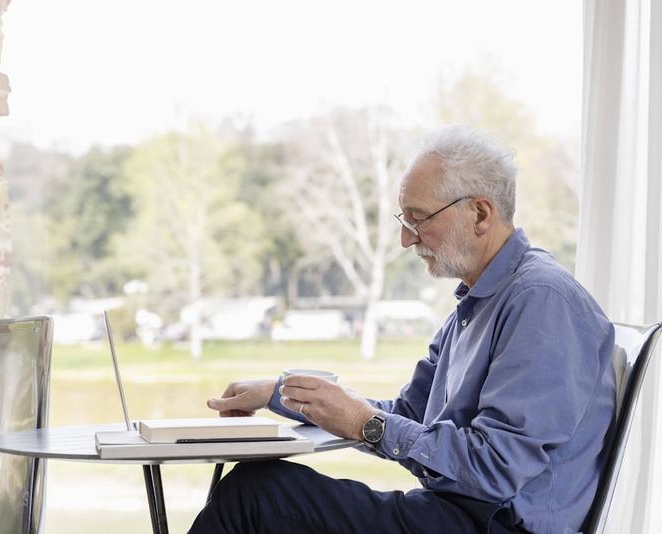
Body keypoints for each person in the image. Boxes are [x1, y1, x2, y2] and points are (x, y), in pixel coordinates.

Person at [189, 125, 616, 534]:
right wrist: (285, 396)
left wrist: (363, 423)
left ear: (480, 214)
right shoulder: (480, 300)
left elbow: (496, 470)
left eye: (418, 218)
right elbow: (410, 415)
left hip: (491, 525)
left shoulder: (541, 300)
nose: (406, 240)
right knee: (256, 489)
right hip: (455, 515)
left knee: (254, 496)